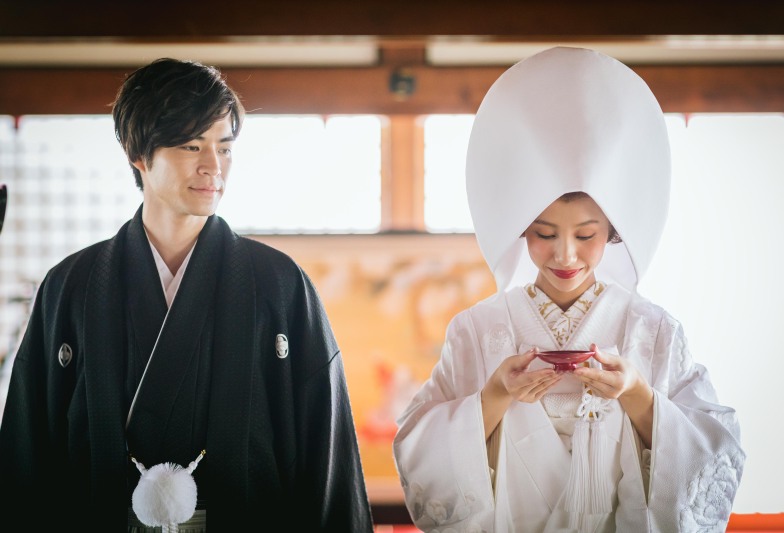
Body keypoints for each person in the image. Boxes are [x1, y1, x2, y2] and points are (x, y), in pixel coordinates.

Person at [0, 57, 374, 531]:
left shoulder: (281, 284)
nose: (212, 167)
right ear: (138, 155)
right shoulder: (71, 286)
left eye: (225, 147)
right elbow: (28, 456)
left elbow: (327, 455)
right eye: (191, 145)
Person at [392, 46, 745, 532]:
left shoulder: (652, 330)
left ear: (615, 231)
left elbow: (716, 450)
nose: (564, 256)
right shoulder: (478, 330)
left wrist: (637, 394)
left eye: (585, 235)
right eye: (543, 233)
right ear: (520, 228)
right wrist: (494, 395)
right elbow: (417, 443)